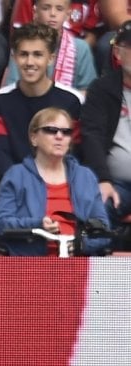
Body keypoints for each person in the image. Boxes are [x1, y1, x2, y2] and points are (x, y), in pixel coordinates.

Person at [0, 22, 83, 255]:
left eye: (37, 55)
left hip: (58, 174)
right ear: (14, 57)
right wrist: (23, 181)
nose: (30, 62)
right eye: (23, 54)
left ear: (51, 58)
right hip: (13, 177)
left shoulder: (71, 101)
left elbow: (75, 149)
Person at [0, 107, 110, 256]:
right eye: (51, 130)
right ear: (34, 138)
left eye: (66, 132)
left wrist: (81, 245)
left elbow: (103, 230)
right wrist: (38, 225)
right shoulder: (16, 175)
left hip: (79, 263)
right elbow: (0, 226)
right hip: (28, 264)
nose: (59, 136)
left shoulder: (86, 177)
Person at [79, 19, 131, 250]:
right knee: (97, 208)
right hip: (116, 183)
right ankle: (96, 276)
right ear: (117, 52)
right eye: (129, 47)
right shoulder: (101, 89)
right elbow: (92, 137)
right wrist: (102, 179)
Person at [4, 0, 97, 94]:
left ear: (68, 14)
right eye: (46, 8)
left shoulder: (81, 48)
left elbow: (88, 91)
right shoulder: (23, 46)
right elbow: (11, 87)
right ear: (35, 12)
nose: (53, 14)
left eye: (59, 9)